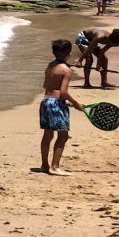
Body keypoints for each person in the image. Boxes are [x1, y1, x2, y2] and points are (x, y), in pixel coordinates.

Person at [39, 39, 82, 176]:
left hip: (46, 102)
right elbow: (63, 92)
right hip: (56, 103)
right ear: (68, 54)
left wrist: (65, 102)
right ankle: (55, 166)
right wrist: (75, 103)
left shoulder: (49, 66)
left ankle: (44, 165)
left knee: (47, 135)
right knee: (63, 136)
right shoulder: (66, 70)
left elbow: (49, 88)